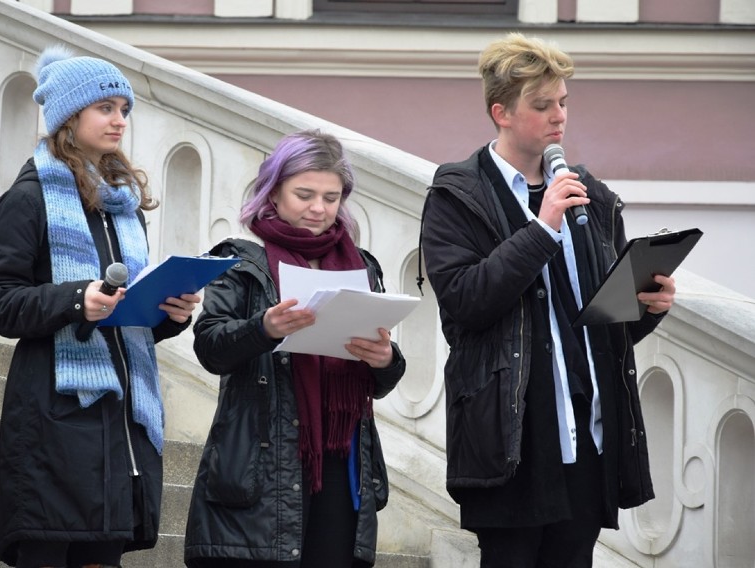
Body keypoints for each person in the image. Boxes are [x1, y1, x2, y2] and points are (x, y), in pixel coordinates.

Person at [419, 32, 677, 567]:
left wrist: (647, 306)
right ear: (502, 113)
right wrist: (542, 228)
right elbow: (465, 303)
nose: (559, 117)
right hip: (511, 437)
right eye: (542, 105)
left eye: (562, 102)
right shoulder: (457, 195)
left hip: (586, 432)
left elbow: (605, 326)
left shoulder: (592, 196)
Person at [0, 45, 200, 568]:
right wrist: (78, 299)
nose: (120, 120)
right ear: (69, 118)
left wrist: (169, 311)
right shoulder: (29, 198)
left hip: (120, 429)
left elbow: (127, 318)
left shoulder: (122, 204)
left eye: (124, 109)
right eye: (106, 108)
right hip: (55, 425)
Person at [184, 130, 406, 568]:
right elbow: (210, 347)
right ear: (274, 191)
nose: (319, 209)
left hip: (341, 458)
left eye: (331, 197)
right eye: (304, 194)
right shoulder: (241, 261)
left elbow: (378, 383)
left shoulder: (362, 265)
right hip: (262, 459)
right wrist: (264, 328)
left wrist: (386, 360)